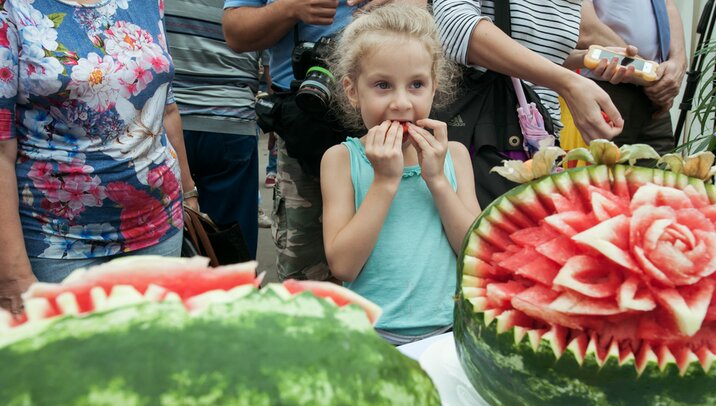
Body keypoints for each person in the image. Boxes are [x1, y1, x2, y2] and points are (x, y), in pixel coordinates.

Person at [0, 0, 196, 315]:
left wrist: (189, 192)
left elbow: (166, 107)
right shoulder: (12, 11)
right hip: (59, 244)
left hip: (159, 228)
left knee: (149, 356)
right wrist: (11, 272)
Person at [321, 3, 481, 345]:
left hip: (451, 332)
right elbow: (344, 266)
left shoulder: (453, 155)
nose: (401, 103)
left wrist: (437, 180)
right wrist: (384, 181)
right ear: (352, 90)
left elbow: (476, 252)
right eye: (382, 85)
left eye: (416, 84)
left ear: (434, 87)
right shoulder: (340, 160)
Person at [223, 0, 411, 281]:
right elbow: (235, 31)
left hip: (390, 116)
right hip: (307, 118)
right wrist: (291, 9)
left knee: (398, 263)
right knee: (308, 277)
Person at [432, 0, 627, 141]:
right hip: (483, 135)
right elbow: (453, 27)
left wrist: (585, 58)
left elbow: (528, 51)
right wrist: (568, 83)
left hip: (541, 136)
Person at [165, 0, 265, 259]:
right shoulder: (247, 5)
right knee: (232, 245)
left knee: (169, 238)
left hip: (170, 121)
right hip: (230, 121)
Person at [583, 0, 687, 153]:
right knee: (601, 173)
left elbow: (668, 4)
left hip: (654, 97)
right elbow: (585, 28)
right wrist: (651, 76)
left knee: (661, 173)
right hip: (602, 89)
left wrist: (678, 61)